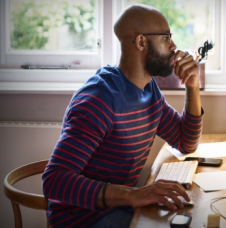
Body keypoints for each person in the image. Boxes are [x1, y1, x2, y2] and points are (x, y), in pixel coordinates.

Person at [42, 4, 203, 228]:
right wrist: (134, 195)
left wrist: (192, 87)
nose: (174, 46)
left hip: (120, 209)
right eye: (166, 37)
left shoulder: (149, 90)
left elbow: (186, 142)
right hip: (85, 220)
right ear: (140, 42)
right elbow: (54, 181)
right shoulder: (99, 100)